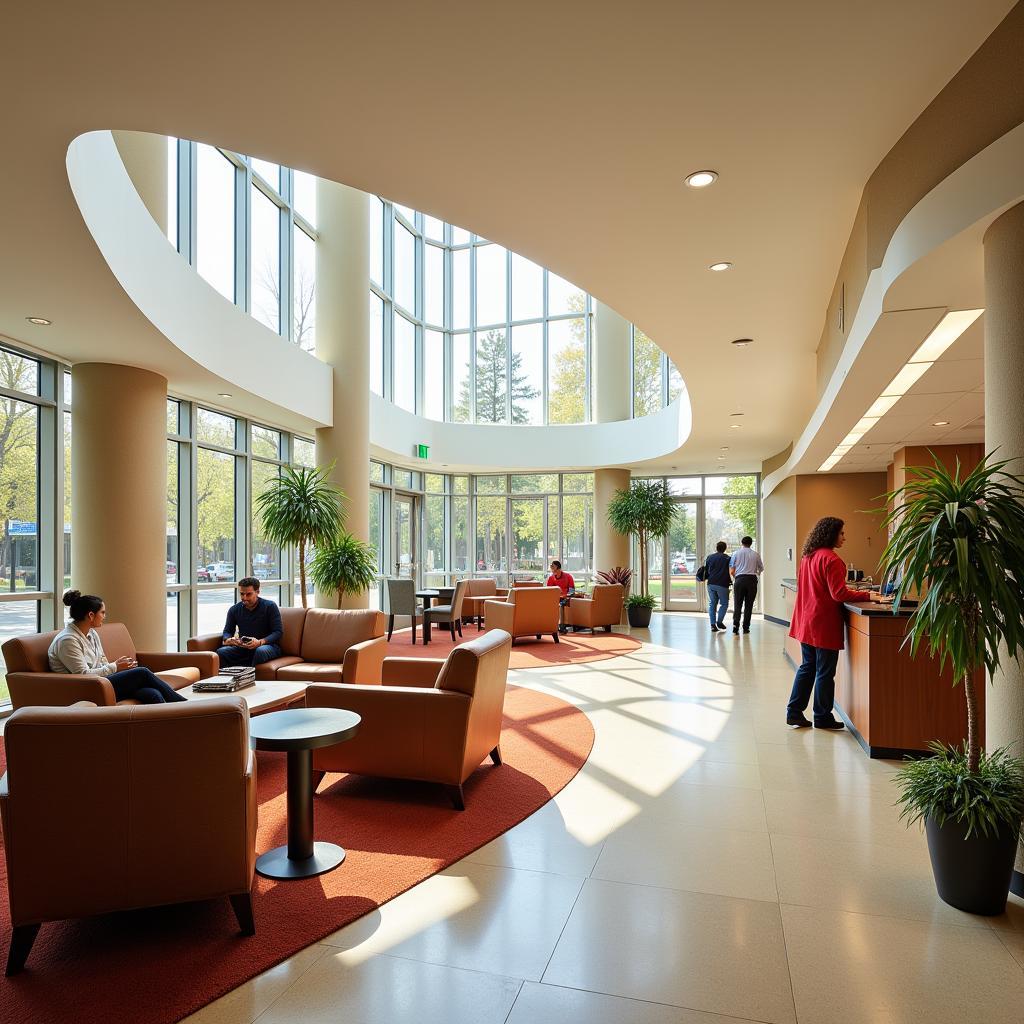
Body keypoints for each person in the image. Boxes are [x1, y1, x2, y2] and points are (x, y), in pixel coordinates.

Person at [786, 516, 871, 729]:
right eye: (841, 533)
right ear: (831, 534)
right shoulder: (832, 560)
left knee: (807, 667)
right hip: (823, 623)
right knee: (824, 672)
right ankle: (822, 717)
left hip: (806, 621)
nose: (845, 537)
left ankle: (794, 712)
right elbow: (839, 593)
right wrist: (868, 595)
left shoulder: (808, 557)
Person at [48, 590, 187, 704]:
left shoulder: (92, 633)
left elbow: (101, 661)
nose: (104, 616)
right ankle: (184, 706)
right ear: (91, 615)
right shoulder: (68, 640)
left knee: (152, 693)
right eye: (102, 612)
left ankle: (169, 728)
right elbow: (82, 675)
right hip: (87, 688)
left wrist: (119, 668)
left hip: (102, 682)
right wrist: (115, 667)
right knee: (142, 672)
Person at [217, 576, 283, 668]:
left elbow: (278, 632)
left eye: (248, 594)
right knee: (221, 652)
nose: (244, 598)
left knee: (260, 651)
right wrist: (229, 640)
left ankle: (249, 679)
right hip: (244, 647)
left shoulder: (270, 606)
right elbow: (227, 631)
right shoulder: (234, 610)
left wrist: (260, 642)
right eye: (242, 594)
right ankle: (230, 680)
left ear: (257, 592)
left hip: (268, 646)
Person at [729, 535, 764, 634]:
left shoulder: (735, 553)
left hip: (739, 580)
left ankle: (735, 626)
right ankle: (746, 627)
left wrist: (736, 576)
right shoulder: (756, 554)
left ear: (742, 543)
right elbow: (761, 568)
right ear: (751, 543)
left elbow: (732, 568)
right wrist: (756, 573)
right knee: (749, 605)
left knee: (737, 604)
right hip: (752, 580)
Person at [703, 541, 732, 632]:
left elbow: (707, 570)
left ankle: (712, 625)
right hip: (722, 584)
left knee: (712, 603)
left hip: (711, 583)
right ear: (725, 548)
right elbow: (731, 569)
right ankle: (719, 621)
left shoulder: (710, 557)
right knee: (724, 604)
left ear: (716, 548)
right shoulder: (727, 558)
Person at [546, 560, 575, 634]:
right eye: (551, 567)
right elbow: (548, 591)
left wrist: (567, 596)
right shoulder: (551, 578)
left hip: (566, 598)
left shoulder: (568, 576)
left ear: (558, 568)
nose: (552, 569)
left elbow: (572, 591)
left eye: (553, 567)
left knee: (561, 604)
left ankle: (562, 627)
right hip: (555, 598)